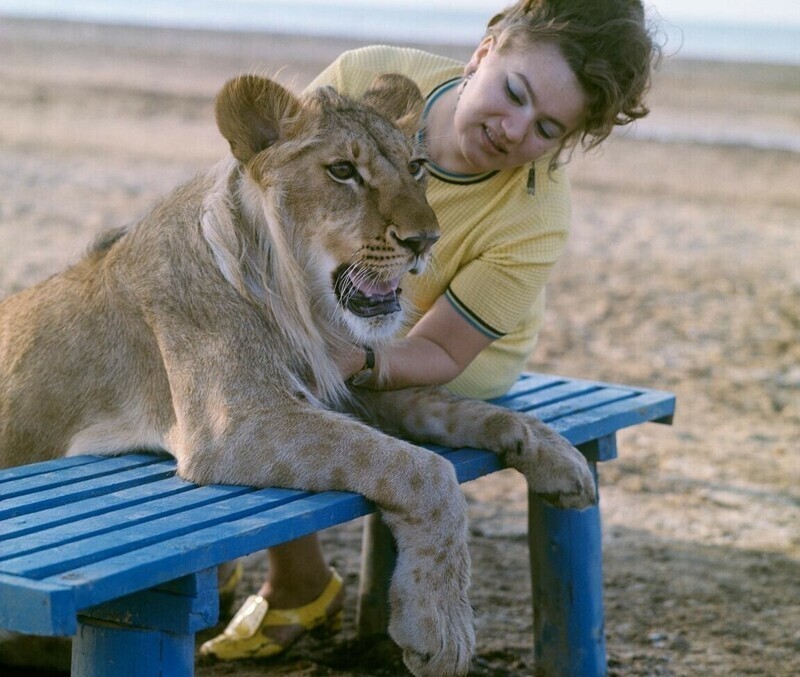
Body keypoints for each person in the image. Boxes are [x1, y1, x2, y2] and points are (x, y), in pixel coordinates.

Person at [200, 0, 659, 661]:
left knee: (291, 390)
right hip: (343, 292)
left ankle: (297, 581)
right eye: (514, 92)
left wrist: (356, 360)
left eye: (546, 127)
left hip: (444, 350)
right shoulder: (369, 74)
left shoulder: (535, 216)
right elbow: (277, 190)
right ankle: (243, 557)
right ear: (484, 52)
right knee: (238, 339)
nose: (512, 129)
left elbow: (442, 347)